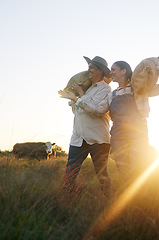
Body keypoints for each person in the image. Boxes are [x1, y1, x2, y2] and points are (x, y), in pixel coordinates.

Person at [63, 57, 159, 176]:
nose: (111, 73)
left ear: (123, 71)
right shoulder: (111, 95)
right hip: (118, 137)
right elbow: (98, 110)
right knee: (123, 171)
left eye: (113, 70)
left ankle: (142, 194)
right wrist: (76, 100)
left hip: (138, 134)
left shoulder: (138, 90)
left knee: (139, 169)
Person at [59, 56, 112, 198]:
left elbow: (95, 110)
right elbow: (78, 111)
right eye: (88, 66)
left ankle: (108, 201)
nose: (88, 70)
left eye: (91, 67)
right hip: (78, 138)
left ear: (100, 71)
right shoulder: (85, 89)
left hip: (98, 139)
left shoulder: (105, 89)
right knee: (70, 172)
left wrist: (78, 96)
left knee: (102, 174)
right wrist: (72, 99)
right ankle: (66, 202)